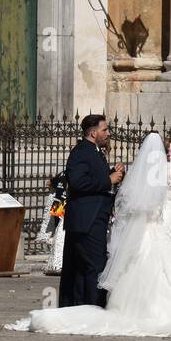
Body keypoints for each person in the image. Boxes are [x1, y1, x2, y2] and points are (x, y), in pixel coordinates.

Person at [8, 132, 171, 337]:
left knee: (145, 258)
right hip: (167, 217)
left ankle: (135, 307)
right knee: (170, 256)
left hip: (149, 224)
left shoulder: (145, 172)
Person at [58, 114, 125, 308]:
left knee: (83, 268)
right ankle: (93, 307)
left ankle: (79, 306)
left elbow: (93, 177)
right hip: (86, 221)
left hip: (94, 219)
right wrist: (108, 180)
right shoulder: (81, 152)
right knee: (95, 267)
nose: (108, 133)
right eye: (105, 130)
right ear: (93, 133)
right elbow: (78, 182)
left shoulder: (95, 151)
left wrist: (114, 172)